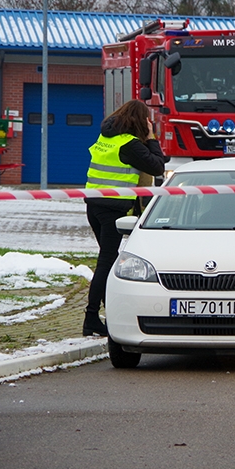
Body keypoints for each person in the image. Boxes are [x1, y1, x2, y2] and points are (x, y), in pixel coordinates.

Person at [83, 100, 167, 336]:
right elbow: (157, 166)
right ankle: (91, 318)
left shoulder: (108, 138)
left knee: (108, 263)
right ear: (141, 122)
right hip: (113, 210)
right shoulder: (130, 145)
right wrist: (151, 137)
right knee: (107, 263)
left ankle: (108, 311)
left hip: (94, 207)